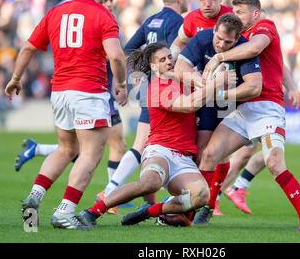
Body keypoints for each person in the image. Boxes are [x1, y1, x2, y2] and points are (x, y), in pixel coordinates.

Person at [5, 0, 127, 230]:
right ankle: (64, 212)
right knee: (91, 153)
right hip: (89, 91)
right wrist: (122, 83)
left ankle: (34, 197)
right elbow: (116, 56)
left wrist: (16, 78)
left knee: (66, 149)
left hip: (59, 91)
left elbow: (28, 47)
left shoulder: (56, 12)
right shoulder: (103, 14)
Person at [199, 0, 300, 231]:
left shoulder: (265, 27)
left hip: (266, 109)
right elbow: (279, 61)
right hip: (243, 106)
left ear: (254, 13)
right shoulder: (239, 36)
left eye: (240, 12)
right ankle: (204, 207)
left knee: (274, 163)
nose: (236, 15)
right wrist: (291, 85)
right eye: (234, 11)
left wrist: (218, 58)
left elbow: (257, 48)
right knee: (211, 154)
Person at [77, 42, 216, 228]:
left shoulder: (183, 80)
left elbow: (203, 83)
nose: (169, 62)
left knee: (201, 196)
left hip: (184, 157)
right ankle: (92, 212)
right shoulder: (157, 88)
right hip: (160, 150)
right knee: (150, 183)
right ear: (153, 66)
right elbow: (191, 105)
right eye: (162, 59)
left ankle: (149, 211)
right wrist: (215, 84)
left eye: (169, 57)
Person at [97, 0, 188, 207]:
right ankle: (109, 191)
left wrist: (141, 74)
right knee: (142, 144)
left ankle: (149, 200)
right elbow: (172, 55)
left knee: (150, 144)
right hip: (166, 90)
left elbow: (128, 49)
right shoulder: (177, 21)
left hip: (149, 87)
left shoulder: (151, 20)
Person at [174, 13, 261, 224]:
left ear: (238, 38)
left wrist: (223, 93)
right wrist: (202, 81)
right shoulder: (202, 38)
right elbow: (180, 68)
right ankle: (202, 202)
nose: (221, 45)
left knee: (212, 153)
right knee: (202, 152)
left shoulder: (245, 48)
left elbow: (254, 86)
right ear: (213, 31)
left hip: (234, 105)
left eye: (228, 42)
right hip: (207, 101)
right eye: (218, 39)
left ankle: (200, 205)